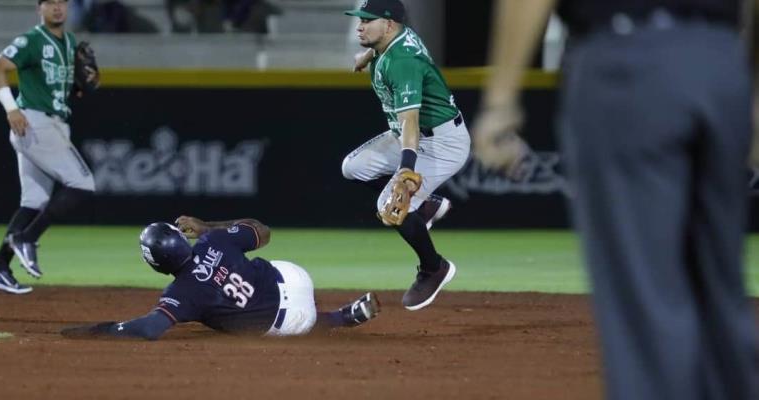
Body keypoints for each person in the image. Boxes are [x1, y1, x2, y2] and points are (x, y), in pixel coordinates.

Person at [474, 0, 759, 398]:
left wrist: (500, 101)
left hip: (627, 64)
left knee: (644, 304)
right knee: (721, 298)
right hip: (720, 61)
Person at [342, 0, 470, 311]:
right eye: (359, 19)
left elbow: (410, 119)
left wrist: (406, 170)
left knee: (390, 206)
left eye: (367, 20)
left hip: (440, 143)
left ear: (387, 25)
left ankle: (434, 268)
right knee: (353, 167)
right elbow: (392, 41)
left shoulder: (403, 61)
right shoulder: (392, 38)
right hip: (408, 135)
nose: (359, 25)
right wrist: (368, 54)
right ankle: (425, 206)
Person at [59, 216, 380, 340]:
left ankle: (334, 317)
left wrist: (102, 329)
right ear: (181, 239)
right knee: (254, 280)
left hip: (292, 323)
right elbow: (261, 231)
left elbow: (150, 328)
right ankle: (342, 315)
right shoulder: (213, 240)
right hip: (296, 278)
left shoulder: (181, 293)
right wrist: (207, 227)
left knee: (240, 318)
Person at [0, 0, 99, 295]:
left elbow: (64, 87)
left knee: (33, 202)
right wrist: (11, 109)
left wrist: (81, 85)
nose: (57, 7)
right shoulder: (32, 40)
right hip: (34, 123)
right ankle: (27, 239)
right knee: (83, 183)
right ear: (40, 8)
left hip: (52, 122)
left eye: (62, 2)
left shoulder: (70, 42)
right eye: (50, 2)